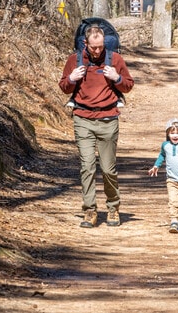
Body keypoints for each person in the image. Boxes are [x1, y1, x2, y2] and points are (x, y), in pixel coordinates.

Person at [59, 23, 134, 228]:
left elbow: (128, 85)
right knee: (87, 167)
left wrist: (116, 78)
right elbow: (64, 86)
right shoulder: (74, 60)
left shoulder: (115, 59)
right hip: (82, 118)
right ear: (85, 43)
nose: (98, 51)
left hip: (108, 118)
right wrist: (72, 79)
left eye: (101, 46)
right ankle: (90, 211)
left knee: (108, 169)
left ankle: (113, 208)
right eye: (94, 47)